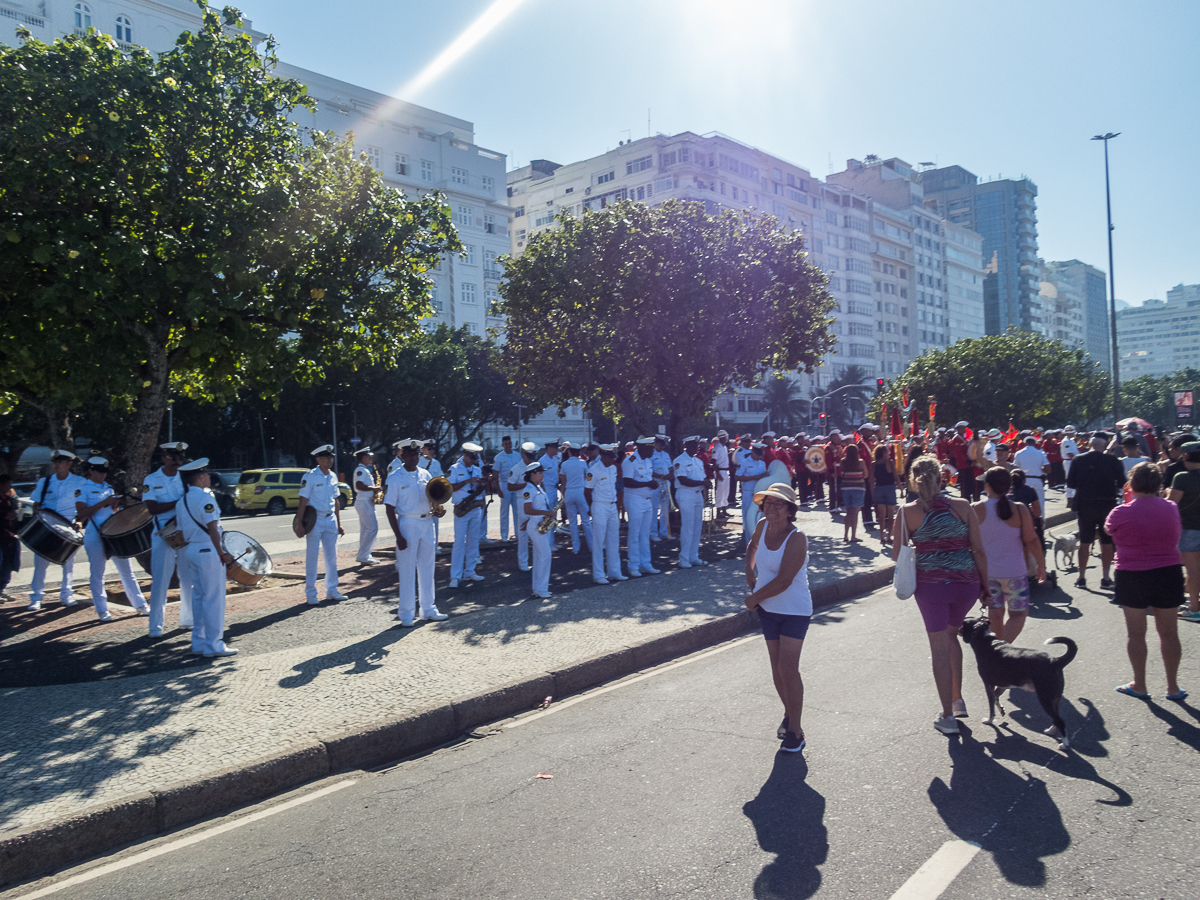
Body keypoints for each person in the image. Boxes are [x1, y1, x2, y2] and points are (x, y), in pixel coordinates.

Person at [893, 455, 989, 735]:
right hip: (966, 584)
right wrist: (986, 586)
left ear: (912, 479)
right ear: (941, 477)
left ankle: (947, 715)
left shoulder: (906, 513)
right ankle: (957, 700)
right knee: (952, 635)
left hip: (931, 587)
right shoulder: (962, 506)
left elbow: (897, 555)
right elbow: (979, 550)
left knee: (938, 647)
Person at [1105, 463, 1187, 701]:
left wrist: (1128, 498)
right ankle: (1173, 687)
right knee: (1170, 633)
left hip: (1132, 573)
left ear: (1131, 485)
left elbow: (1110, 531)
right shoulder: (1171, 507)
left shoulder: (1121, 511)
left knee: (1137, 633)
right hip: (1168, 571)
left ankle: (1139, 684)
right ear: (1160, 485)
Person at [744, 482, 812, 754]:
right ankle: (790, 714)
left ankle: (796, 730)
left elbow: (785, 580)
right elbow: (752, 545)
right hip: (768, 609)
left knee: (788, 668)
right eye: (768, 503)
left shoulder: (797, 538)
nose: (771, 508)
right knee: (776, 668)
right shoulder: (762, 525)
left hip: (794, 610)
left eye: (778, 504)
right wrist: (748, 571)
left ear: (789, 510)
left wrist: (754, 598)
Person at [974, 467, 1045, 643]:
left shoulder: (976, 508)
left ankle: (996, 652)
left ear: (988, 486)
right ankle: (1002, 649)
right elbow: (1031, 539)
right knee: (1018, 615)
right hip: (1015, 573)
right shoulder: (1020, 509)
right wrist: (1041, 564)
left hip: (987, 573)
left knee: (995, 615)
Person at [175, 458, 237, 658]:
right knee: (214, 599)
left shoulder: (181, 501)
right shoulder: (205, 498)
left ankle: (199, 643)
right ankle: (214, 644)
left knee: (199, 597)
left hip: (191, 550)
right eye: (207, 474)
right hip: (208, 551)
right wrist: (222, 553)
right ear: (200, 477)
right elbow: (212, 529)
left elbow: (181, 535)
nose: (209, 477)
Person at [76, 457, 150, 621]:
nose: (103, 475)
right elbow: (81, 513)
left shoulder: (108, 487)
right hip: (95, 532)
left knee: (127, 570)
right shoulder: (83, 488)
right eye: (99, 471)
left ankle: (140, 604)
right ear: (91, 470)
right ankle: (102, 609)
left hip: (113, 530)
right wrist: (104, 502)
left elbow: (113, 510)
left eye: (105, 472)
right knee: (97, 572)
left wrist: (115, 505)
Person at [383, 439, 446, 626]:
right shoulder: (395, 477)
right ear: (401, 455)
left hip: (427, 522)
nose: (413, 457)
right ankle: (406, 614)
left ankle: (428, 609)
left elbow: (433, 500)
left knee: (428, 568)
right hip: (407, 523)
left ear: (420, 455)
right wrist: (398, 536)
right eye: (409, 454)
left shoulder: (425, 474)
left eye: (416, 453)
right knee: (407, 570)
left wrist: (439, 510)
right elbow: (389, 508)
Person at [26, 449, 88, 611]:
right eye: (54, 462)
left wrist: (81, 522)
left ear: (69, 464)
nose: (55, 465)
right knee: (40, 563)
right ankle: (36, 597)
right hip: (48, 525)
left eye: (59, 462)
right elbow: (36, 505)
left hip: (68, 524)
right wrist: (38, 518)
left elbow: (84, 507)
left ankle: (66, 594)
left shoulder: (80, 482)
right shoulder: (45, 482)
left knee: (67, 563)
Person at [142, 441, 194, 634]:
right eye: (173, 458)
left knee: (187, 578)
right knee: (161, 579)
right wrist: (179, 503)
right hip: (163, 534)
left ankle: (188, 619)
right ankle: (155, 626)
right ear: (163, 457)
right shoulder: (152, 479)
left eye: (180, 458)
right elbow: (152, 508)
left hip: (184, 532)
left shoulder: (185, 478)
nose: (177, 462)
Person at [1066, 433, 1126, 589]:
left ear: (1090, 444)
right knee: (1106, 542)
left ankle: (1081, 577)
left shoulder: (1078, 460)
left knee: (1085, 541)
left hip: (1085, 504)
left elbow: (1071, 483)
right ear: (1104, 445)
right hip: (1107, 504)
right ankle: (1106, 577)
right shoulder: (1113, 461)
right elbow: (1122, 483)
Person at [294, 444, 347, 605]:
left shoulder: (333, 476)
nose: (329, 460)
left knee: (332, 557)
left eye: (330, 457)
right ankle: (311, 592)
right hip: (314, 520)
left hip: (330, 519)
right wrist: (299, 523)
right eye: (325, 457)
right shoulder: (309, 476)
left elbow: (336, 501)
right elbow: (303, 500)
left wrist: (338, 523)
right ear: (318, 459)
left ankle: (332, 590)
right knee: (312, 557)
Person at [1167, 441, 1200, 622]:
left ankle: (1195, 609)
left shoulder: (1182, 477)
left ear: (1185, 457)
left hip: (1190, 529)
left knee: (1193, 571)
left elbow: (1172, 504)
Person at [585, 443, 626, 584]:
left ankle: (614, 572)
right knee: (598, 541)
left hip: (612, 506)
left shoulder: (613, 469)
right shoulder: (594, 470)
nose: (612, 460)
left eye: (613, 457)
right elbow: (587, 492)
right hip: (599, 505)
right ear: (602, 455)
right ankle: (598, 574)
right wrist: (591, 507)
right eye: (609, 457)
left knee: (614, 540)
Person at [447, 442, 487, 588]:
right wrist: (467, 481)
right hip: (462, 509)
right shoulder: (455, 469)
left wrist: (482, 484)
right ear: (464, 455)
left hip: (475, 507)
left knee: (473, 541)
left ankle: (470, 571)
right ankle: (455, 576)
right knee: (459, 543)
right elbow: (450, 487)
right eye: (471, 457)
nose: (473, 460)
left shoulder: (477, 469)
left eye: (474, 458)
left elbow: (481, 490)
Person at [623, 437, 660, 577]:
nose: (653, 451)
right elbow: (627, 482)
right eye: (651, 448)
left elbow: (646, 479)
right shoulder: (630, 461)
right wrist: (647, 484)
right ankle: (633, 565)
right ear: (643, 448)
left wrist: (651, 483)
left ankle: (646, 563)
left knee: (645, 535)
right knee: (634, 534)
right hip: (634, 499)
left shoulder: (648, 460)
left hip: (647, 499)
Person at [674, 436, 709, 568]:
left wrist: (706, 483)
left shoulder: (698, 461)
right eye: (692, 446)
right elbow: (683, 480)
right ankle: (684, 558)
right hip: (685, 494)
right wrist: (702, 482)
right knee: (688, 527)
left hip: (697, 495)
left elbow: (703, 477)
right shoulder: (679, 461)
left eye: (696, 446)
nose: (695, 448)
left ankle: (694, 556)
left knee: (697, 527)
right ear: (686, 446)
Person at [522, 463, 553, 599]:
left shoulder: (539, 487)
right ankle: (542, 588)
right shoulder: (528, 489)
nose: (542, 475)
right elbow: (527, 510)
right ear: (532, 474)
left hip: (541, 524)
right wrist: (546, 512)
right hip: (535, 525)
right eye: (540, 473)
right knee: (546, 555)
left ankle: (537, 588)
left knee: (539, 557)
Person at [559, 444, 594, 555]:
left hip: (569, 491)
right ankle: (591, 546)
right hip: (580, 491)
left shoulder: (564, 464)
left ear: (569, 452)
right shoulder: (583, 463)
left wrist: (563, 496)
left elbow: (563, 483)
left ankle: (575, 547)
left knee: (572, 521)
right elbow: (587, 477)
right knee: (586, 520)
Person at [351, 447, 381, 564]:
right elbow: (359, 485)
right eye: (369, 456)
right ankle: (364, 554)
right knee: (372, 528)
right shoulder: (361, 470)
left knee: (365, 529)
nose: (371, 458)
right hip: (364, 501)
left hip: (366, 501)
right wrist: (375, 488)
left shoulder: (365, 470)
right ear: (363, 457)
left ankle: (363, 554)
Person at [492, 436, 524, 543]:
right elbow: (495, 474)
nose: (508, 446)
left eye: (509, 444)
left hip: (516, 485)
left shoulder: (517, 455)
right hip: (504, 485)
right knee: (504, 512)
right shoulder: (499, 457)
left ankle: (518, 534)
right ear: (502, 445)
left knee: (517, 511)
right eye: (506, 444)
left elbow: (522, 469)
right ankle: (504, 536)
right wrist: (498, 489)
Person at [513, 442, 538, 572]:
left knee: (537, 530)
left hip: (535, 500)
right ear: (523, 454)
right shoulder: (516, 468)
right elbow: (510, 486)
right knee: (523, 533)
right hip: (522, 501)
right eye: (529, 456)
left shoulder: (535, 466)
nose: (531, 459)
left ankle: (536, 560)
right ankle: (523, 562)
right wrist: (526, 485)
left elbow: (540, 483)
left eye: (533, 456)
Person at [738, 443, 768, 546]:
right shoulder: (744, 462)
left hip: (759, 493)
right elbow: (737, 477)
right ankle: (749, 545)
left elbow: (763, 477)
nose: (759, 457)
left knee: (760, 519)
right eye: (757, 454)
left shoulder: (762, 463)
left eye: (761, 455)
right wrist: (753, 477)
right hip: (748, 493)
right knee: (748, 520)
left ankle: (760, 545)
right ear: (753, 452)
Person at [418, 442, 445, 553]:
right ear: (423, 449)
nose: (431, 451)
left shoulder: (436, 462)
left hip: (434, 495)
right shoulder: (419, 461)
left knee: (435, 522)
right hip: (423, 494)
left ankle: (434, 546)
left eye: (433, 449)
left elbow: (440, 476)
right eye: (429, 449)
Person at [839, 443, 869, 543]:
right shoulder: (860, 462)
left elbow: (841, 473)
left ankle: (845, 535)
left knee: (848, 512)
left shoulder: (843, 462)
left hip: (846, 488)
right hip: (858, 488)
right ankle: (853, 536)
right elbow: (865, 475)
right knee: (855, 513)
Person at [1013, 435, 1050, 512]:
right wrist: (1039, 469)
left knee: (1024, 503)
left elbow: (1015, 469)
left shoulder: (1018, 453)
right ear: (1035, 443)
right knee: (1039, 504)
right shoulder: (1041, 453)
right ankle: (1040, 522)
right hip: (1037, 480)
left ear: (1025, 443)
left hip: (1023, 481)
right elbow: (1048, 469)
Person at [872, 444, 897, 547]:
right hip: (890, 488)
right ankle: (889, 537)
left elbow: (871, 480)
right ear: (883, 453)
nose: (889, 453)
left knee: (882, 515)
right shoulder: (890, 462)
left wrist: (872, 492)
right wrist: (900, 488)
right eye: (887, 451)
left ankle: (882, 536)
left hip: (878, 488)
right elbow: (894, 475)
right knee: (891, 515)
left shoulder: (873, 464)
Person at [650, 436, 673, 542]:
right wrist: (662, 476)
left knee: (665, 510)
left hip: (665, 484)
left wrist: (670, 475)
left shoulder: (666, 455)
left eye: (663, 444)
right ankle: (653, 533)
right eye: (660, 444)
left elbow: (670, 468)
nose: (662, 446)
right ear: (655, 444)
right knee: (654, 510)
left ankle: (664, 532)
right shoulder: (651, 455)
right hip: (655, 484)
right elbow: (650, 471)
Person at [0, 474, 19, 600]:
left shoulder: (10, 497)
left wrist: (14, 514)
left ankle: (1, 589)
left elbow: (17, 510)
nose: (10, 487)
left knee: (8, 563)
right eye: (7, 484)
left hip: (8, 535)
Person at [712, 430, 731, 517]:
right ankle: (718, 511)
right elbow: (713, 461)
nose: (726, 439)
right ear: (722, 438)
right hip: (720, 471)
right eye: (725, 437)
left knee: (726, 491)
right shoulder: (717, 447)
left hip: (726, 470)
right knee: (720, 492)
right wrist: (717, 473)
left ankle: (724, 509)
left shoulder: (724, 447)